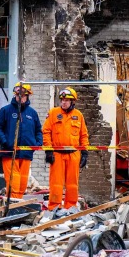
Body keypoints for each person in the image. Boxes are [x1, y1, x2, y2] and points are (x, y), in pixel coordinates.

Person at [43, 87, 89, 216]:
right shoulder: (53, 113)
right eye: (62, 100)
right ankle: (54, 208)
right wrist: (48, 151)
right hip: (57, 154)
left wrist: (85, 152)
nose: (64, 102)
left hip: (73, 154)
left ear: (72, 102)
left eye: (67, 100)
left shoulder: (78, 115)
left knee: (72, 184)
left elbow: (83, 135)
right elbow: (46, 132)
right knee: (56, 184)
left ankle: (71, 208)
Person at [0, 83, 42, 201]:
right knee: (13, 185)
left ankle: (16, 205)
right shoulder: (6, 111)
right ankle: (12, 208)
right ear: (15, 95)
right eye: (19, 95)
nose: (21, 98)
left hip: (26, 155)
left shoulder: (32, 113)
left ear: (28, 96)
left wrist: (37, 144)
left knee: (22, 185)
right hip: (10, 154)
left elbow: (38, 130)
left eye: (24, 96)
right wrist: (6, 142)